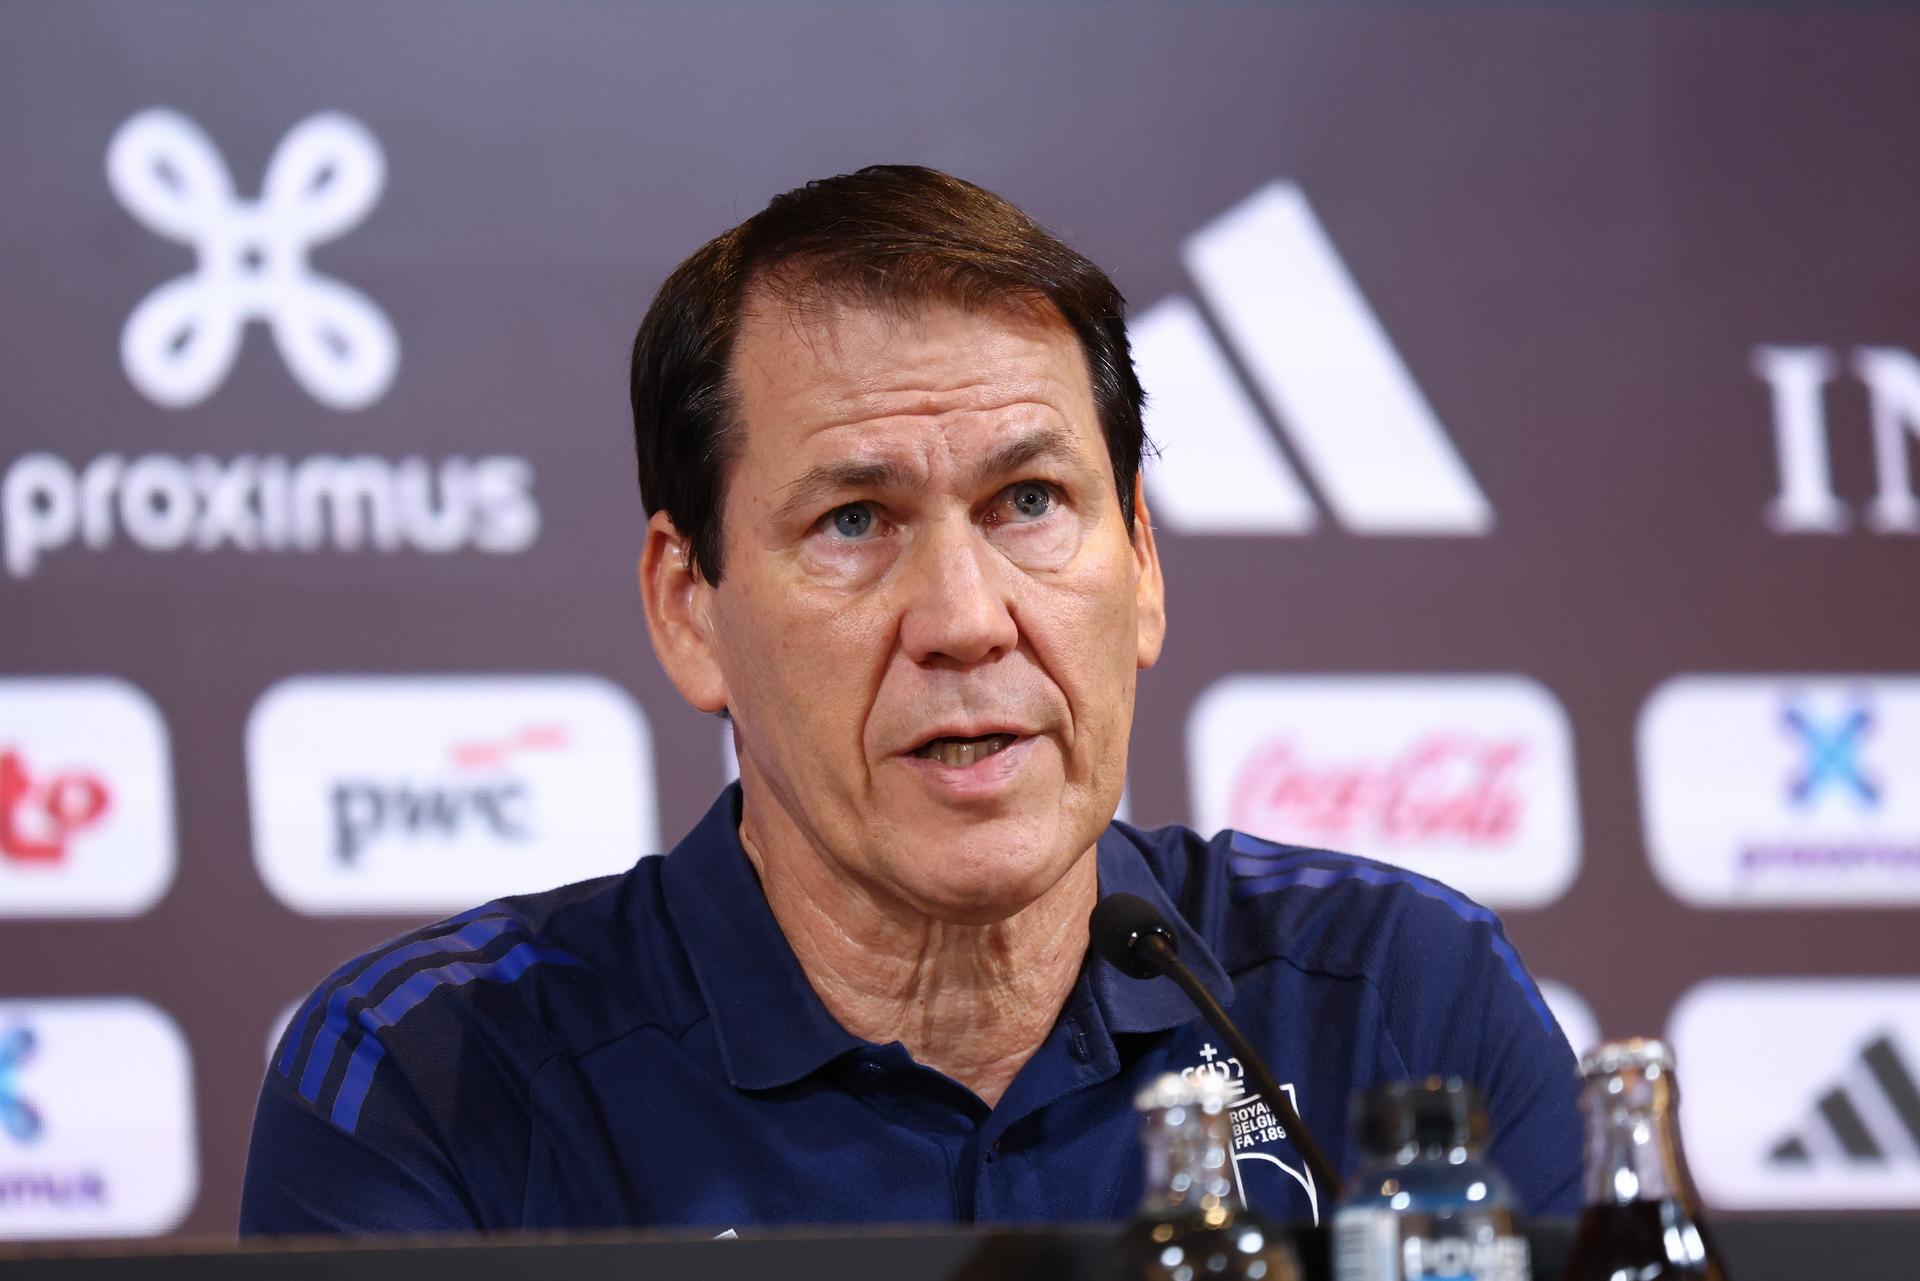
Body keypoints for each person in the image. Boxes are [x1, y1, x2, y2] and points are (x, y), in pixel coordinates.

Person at [241, 165, 1580, 1235]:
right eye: (855, 518)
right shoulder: (440, 1078)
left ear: (1146, 567)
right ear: (687, 606)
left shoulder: (1404, 1001)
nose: (963, 618)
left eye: (1032, 503)